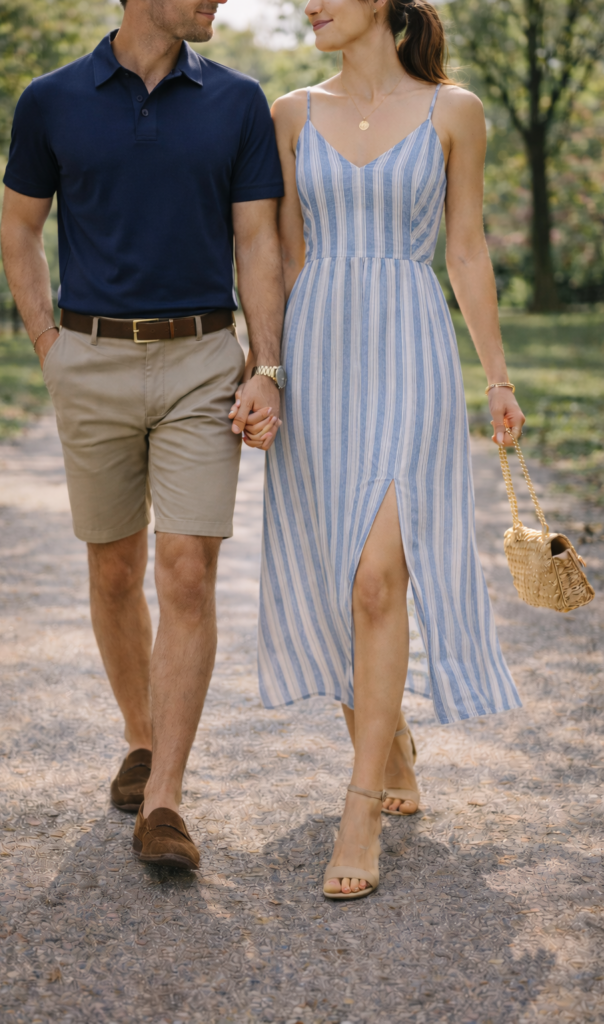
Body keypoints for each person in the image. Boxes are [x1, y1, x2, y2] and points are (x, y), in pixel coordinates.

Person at [246, 0, 525, 899]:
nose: (309, 7)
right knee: (336, 574)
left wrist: (497, 378)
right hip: (321, 355)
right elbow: (283, 259)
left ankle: (358, 804)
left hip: (409, 352)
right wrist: (269, 372)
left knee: (378, 579)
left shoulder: (455, 111)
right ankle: (387, 736)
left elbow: (467, 246)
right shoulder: (289, 112)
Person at [0, 0, 287, 871]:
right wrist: (48, 343)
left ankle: (164, 798)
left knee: (188, 570)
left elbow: (258, 241)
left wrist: (264, 365)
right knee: (114, 566)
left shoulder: (238, 102)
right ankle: (138, 737)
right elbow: (20, 225)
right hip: (88, 357)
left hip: (202, 356)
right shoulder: (49, 100)